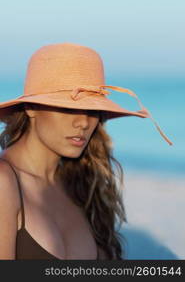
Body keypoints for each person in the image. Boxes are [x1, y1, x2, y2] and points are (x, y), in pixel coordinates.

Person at [0, 43, 172, 260]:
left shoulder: (83, 185)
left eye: (92, 110)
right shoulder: (5, 182)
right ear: (31, 109)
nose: (83, 122)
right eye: (69, 108)